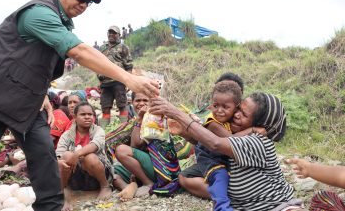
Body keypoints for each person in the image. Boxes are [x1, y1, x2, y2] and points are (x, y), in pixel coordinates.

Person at [0, 0, 159, 210]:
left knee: (45, 159)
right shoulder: (38, 13)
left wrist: (43, 93)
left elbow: (35, 64)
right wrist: (128, 79)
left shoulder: (61, 22)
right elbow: (79, 51)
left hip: (26, 103)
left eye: (90, 1)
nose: (84, 4)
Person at [149, 93, 301, 210]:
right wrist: (183, 131)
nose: (236, 114)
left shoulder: (258, 142)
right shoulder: (233, 135)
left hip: (279, 206)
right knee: (187, 176)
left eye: (244, 114)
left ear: (258, 123)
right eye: (239, 108)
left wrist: (176, 113)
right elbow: (209, 144)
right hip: (247, 207)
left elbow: (215, 143)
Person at [114, 92, 181, 200]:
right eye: (138, 100)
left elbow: (135, 145)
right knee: (115, 172)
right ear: (132, 102)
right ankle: (131, 186)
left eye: (145, 100)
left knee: (121, 151)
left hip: (160, 166)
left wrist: (140, 118)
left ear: (151, 103)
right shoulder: (135, 120)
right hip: (146, 164)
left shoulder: (156, 118)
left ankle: (147, 183)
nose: (141, 103)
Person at [192, 80, 242, 211]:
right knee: (220, 176)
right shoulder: (211, 122)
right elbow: (232, 141)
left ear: (236, 108)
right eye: (215, 106)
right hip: (210, 160)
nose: (219, 111)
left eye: (225, 107)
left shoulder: (234, 121)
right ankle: (222, 206)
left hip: (225, 160)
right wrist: (253, 130)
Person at [56, 102, 112, 211]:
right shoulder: (67, 135)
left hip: (96, 176)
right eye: (83, 114)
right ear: (75, 117)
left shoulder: (98, 130)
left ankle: (105, 186)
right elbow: (59, 155)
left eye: (90, 114)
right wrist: (62, 161)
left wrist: (76, 154)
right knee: (66, 156)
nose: (87, 117)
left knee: (89, 157)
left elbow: (95, 145)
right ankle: (61, 194)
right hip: (76, 178)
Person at [98, 25, 134, 128]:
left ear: (118, 35)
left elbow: (129, 65)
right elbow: (98, 64)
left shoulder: (123, 47)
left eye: (114, 33)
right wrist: (99, 80)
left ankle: (123, 129)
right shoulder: (102, 48)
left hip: (118, 81)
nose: (111, 35)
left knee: (122, 105)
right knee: (105, 107)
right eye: (110, 32)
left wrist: (128, 81)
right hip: (105, 83)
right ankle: (105, 131)